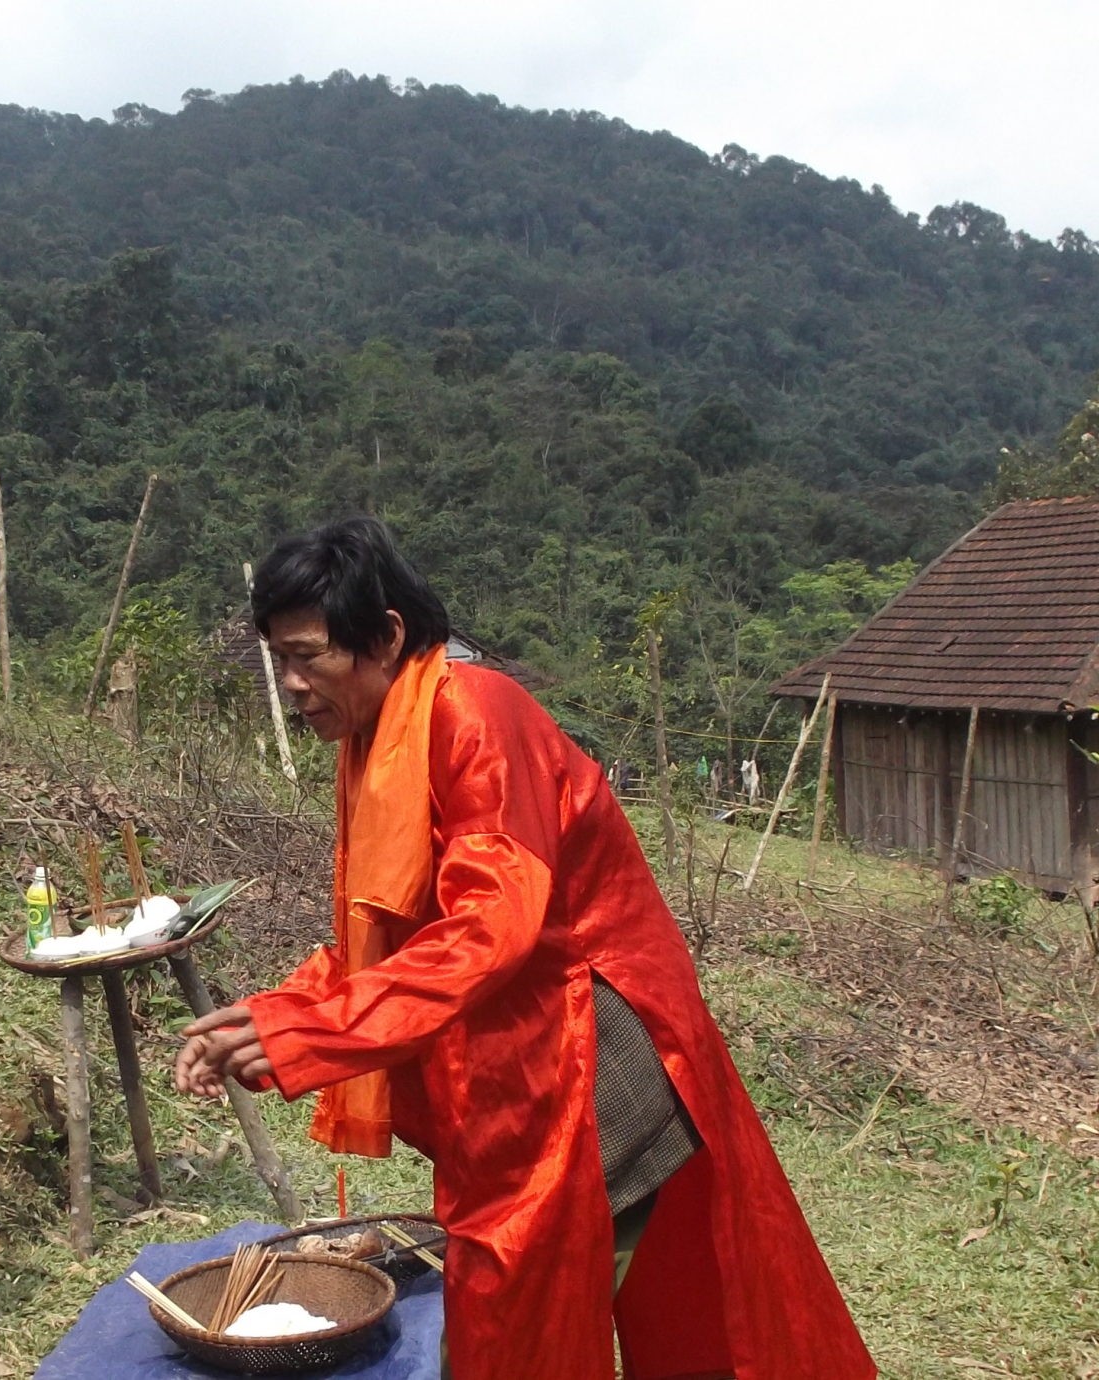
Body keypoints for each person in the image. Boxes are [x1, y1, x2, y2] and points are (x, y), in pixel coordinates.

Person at [176, 518, 872, 1380]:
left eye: (309, 655)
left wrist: (308, 1034)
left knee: (564, 1313)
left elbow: (489, 927)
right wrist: (270, 1018)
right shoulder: (375, 738)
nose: (292, 683)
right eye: (278, 658)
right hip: (510, 1061)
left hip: (591, 1059)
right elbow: (387, 936)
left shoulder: (473, 715)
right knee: (532, 1311)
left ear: (387, 637)